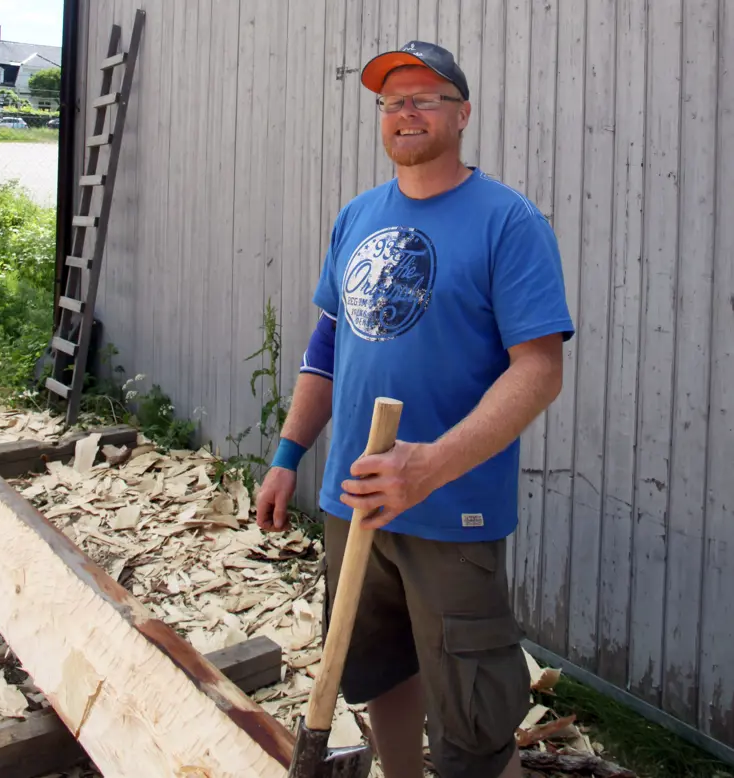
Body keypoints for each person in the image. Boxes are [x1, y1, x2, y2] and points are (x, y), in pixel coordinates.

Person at [256, 40, 575, 778]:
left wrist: (429, 466)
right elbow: (326, 348)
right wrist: (287, 455)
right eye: (391, 101)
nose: (405, 112)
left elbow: (540, 371)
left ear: (462, 114)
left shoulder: (508, 221)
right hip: (355, 497)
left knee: (471, 696)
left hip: (451, 504)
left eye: (424, 97)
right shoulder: (358, 215)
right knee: (373, 667)